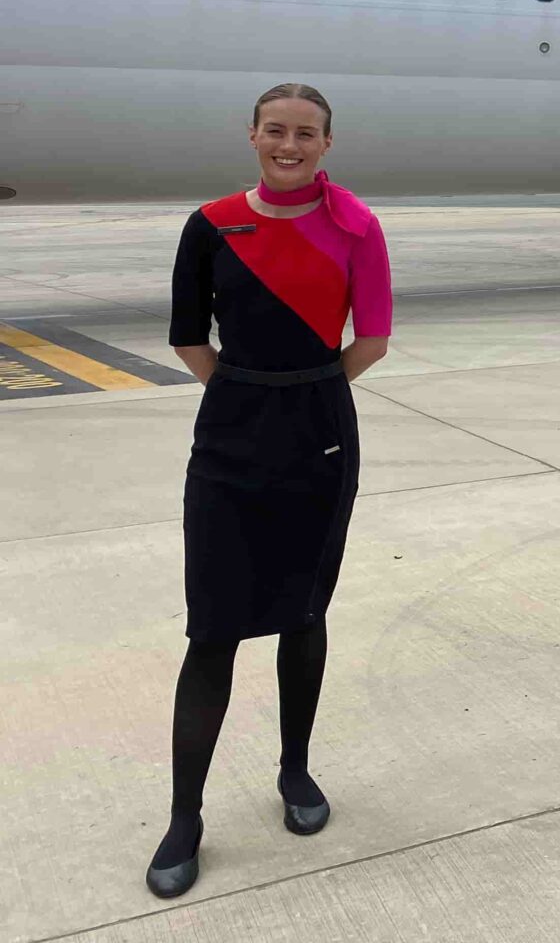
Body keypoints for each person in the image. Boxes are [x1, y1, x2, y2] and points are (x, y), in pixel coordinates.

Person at [147, 83, 392, 899]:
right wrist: (247, 391)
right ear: (253, 135)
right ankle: (186, 815)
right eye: (276, 130)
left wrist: (308, 390)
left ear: (328, 143)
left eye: (307, 134)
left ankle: (295, 771)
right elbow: (187, 334)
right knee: (212, 629)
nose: (290, 144)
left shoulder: (356, 226)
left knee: (304, 612)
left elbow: (376, 337)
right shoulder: (211, 225)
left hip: (321, 433)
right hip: (229, 436)